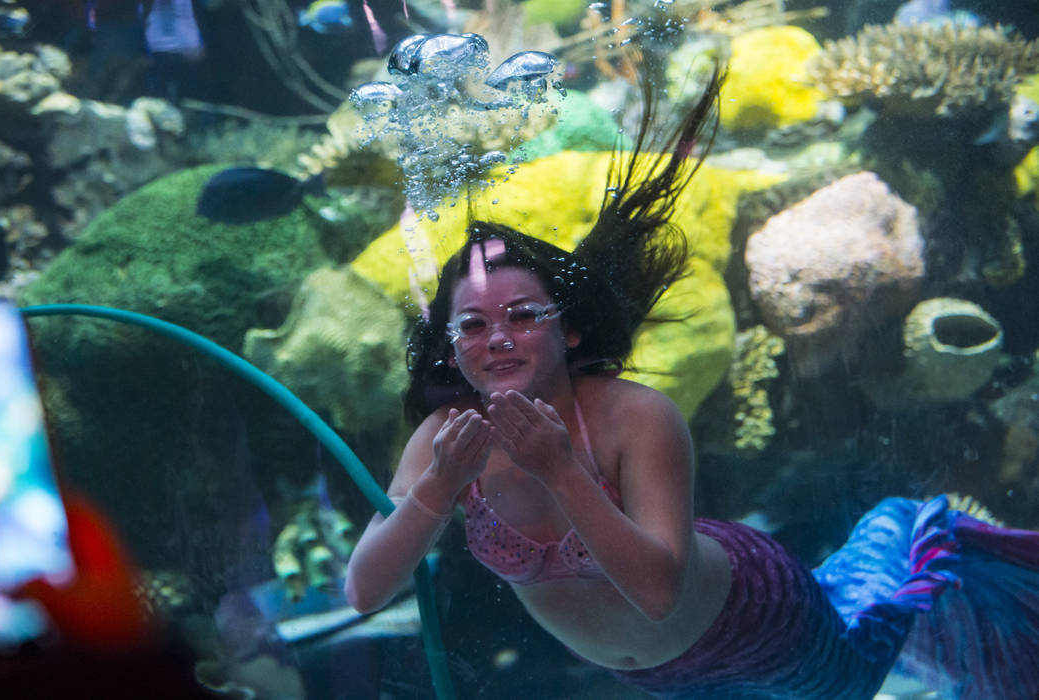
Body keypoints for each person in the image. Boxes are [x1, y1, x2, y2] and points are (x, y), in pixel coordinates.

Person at [343, 69, 1039, 700]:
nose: (496, 337)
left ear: (570, 331)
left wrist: (559, 469)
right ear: (452, 346)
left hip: (762, 623)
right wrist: (438, 487)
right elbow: (365, 592)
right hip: (657, 678)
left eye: (522, 316)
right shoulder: (446, 440)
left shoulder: (632, 417)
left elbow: (655, 591)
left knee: (855, 666)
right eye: (470, 325)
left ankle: (912, 532)